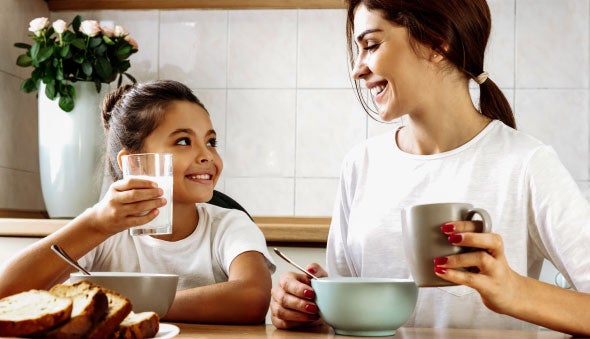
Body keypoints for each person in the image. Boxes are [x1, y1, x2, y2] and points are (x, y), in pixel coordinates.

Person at [270, 0, 590, 336]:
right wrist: (310, 311)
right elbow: (345, 322)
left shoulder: (527, 164)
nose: (357, 69)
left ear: (436, 44)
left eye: (372, 45)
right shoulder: (361, 165)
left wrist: (515, 291)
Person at [0, 80, 275, 324]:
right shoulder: (102, 231)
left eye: (211, 141)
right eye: (183, 142)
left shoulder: (229, 225)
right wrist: (94, 224)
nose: (207, 155)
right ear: (134, 163)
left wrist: (123, 307)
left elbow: (252, 297)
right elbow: (6, 296)